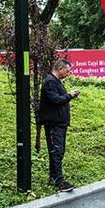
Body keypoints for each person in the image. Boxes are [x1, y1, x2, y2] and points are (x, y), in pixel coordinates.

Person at [38, 59, 80, 192]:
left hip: (59, 123)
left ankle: (53, 177)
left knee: (58, 151)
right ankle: (59, 181)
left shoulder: (56, 81)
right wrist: (70, 95)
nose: (69, 73)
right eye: (67, 71)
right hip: (53, 124)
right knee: (57, 151)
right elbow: (56, 100)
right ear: (60, 69)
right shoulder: (50, 81)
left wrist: (68, 95)